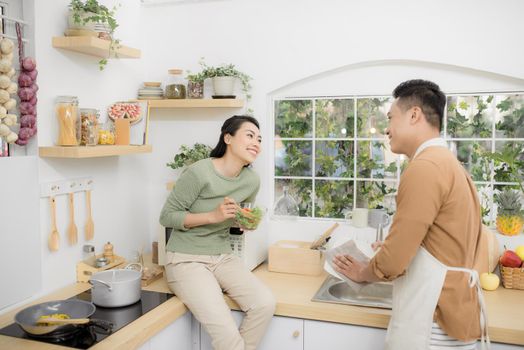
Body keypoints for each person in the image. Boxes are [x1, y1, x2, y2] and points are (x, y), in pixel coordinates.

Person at [333, 80, 489, 349]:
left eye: (391, 117)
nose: (387, 128)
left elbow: (392, 263)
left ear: (414, 115)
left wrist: (364, 272)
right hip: (452, 315)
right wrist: (401, 247)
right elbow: (446, 243)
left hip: (431, 324)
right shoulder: (450, 165)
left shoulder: (424, 167)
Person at [159, 115, 276, 350]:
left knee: (264, 304)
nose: (256, 143)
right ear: (228, 138)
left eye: (260, 139)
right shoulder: (199, 172)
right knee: (226, 334)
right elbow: (167, 217)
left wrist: (245, 223)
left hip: (222, 256)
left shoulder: (251, 180)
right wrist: (213, 216)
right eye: (250, 135)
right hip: (185, 258)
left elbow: (237, 217)